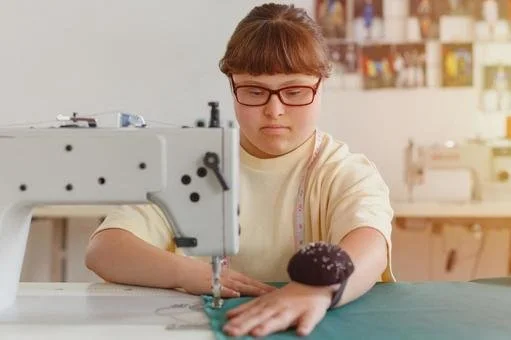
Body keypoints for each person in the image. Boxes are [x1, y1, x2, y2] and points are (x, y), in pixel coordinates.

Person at [85, 3, 394, 338]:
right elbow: (105, 249)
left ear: (321, 86)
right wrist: (188, 273)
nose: (274, 110)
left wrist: (316, 291)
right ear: (232, 87)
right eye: (254, 91)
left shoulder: (345, 172)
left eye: (294, 91)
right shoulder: (190, 166)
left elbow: (371, 247)